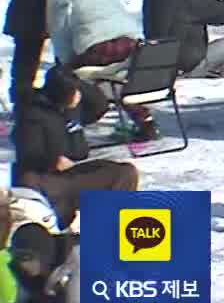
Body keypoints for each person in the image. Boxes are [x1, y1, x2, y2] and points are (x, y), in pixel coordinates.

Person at [10, 68, 137, 222]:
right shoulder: (33, 114)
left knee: (125, 173)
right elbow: (28, 155)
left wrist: (75, 81)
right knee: (56, 191)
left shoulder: (72, 107)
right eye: (74, 92)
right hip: (44, 179)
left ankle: (109, 221)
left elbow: (100, 106)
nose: (79, 96)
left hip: (72, 172)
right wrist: (54, 161)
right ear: (61, 94)